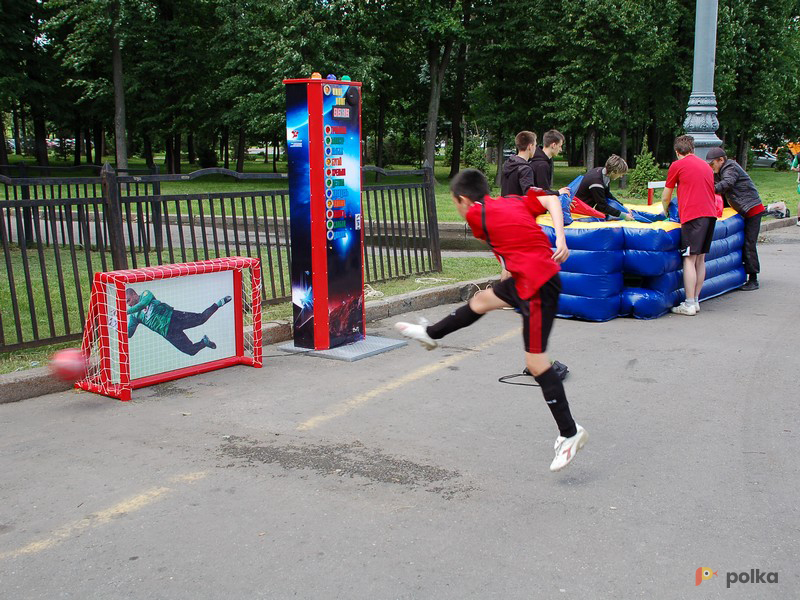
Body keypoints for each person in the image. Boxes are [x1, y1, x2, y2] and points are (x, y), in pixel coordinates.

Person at [394, 169, 588, 472]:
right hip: (528, 278)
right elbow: (551, 200)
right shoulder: (512, 201)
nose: (458, 210)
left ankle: (570, 433)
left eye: (456, 203)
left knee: (536, 363)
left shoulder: (475, 216)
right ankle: (430, 334)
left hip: (538, 287)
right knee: (482, 300)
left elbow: (498, 232)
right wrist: (558, 240)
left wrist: (528, 254)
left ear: (462, 200)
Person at [661, 135, 718, 316]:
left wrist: (665, 211)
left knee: (689, 259)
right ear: (692, 149)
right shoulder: (706, 167)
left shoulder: (677, 165)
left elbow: (666, 195)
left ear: (678, 152)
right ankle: (696, 300)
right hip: (710, 215)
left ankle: (689, 303)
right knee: (700, 259)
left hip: (693, 216)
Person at [706, 147, 765, 290]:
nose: (711, 167)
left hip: (752, 209)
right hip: (743, 210)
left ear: (721, 160)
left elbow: (727, 183)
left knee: (749, 243)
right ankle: (745, 274)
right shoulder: (720, 170)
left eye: (712, 164)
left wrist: (707, 189)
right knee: (742, 242)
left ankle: (753, 278)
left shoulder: (730, 167)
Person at [126, 288, 232, 355]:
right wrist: (118, 327)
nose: (128, 304)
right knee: (190, 351)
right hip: (168, 332)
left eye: (128, 300)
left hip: (173, 318)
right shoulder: (134, 316)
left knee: (201, 319)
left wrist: (126, 312)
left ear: (134, 294)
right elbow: (129, 334)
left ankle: (219, 303)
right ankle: (204, 342)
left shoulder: (145, 294)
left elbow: (143, 304)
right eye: (126, 303)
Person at [574, 155, 634, 220]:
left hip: (585, 206)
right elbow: (603, 207)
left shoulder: (603, 172)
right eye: (620, 174)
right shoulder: (596, 182)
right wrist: (624, 216)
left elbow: (607, 194)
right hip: (579, 211)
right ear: (614, 172)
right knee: (607, 214)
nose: (621, 176)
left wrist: (623, 207)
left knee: (608, 212)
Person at [529, 129, 571, 196]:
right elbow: (543, 193)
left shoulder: (542, 161)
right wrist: (558, 192)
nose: (561, 150)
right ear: (553, 145)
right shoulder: (542, 165)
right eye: (560, 146)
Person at [500, 131, 538, 197]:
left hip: (504, 205)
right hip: (518, 205)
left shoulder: (507, 164)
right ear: (530, 146)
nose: (535, 148)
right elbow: (529, 194)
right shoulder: (525, 169)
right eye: (535, 145)